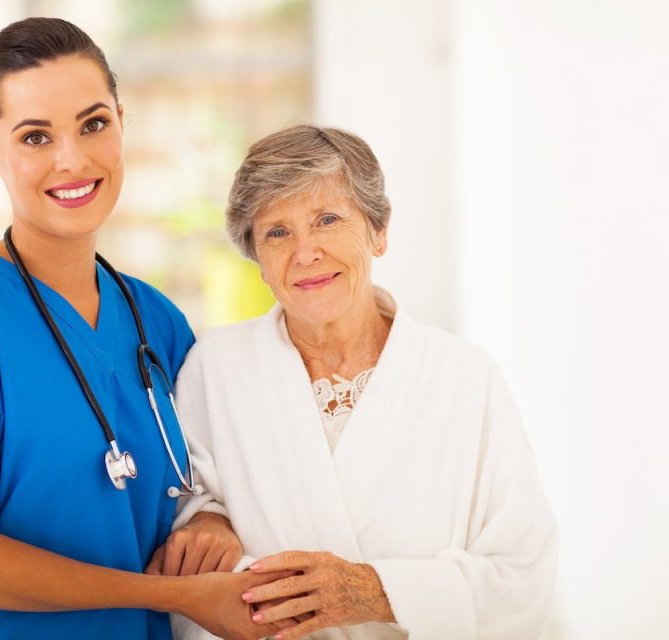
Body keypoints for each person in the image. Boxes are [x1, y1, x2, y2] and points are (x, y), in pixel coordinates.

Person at [0, 17, 287, 640]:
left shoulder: (157, 322)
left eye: (93, 124)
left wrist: (210, 523)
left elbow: (203, 483)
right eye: (35, 137)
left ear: (121, 121)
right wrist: (177, 594)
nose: (73, 160)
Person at [160, 125, 558, 640]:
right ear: (256, 258)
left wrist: (376, 591)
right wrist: (207, 522)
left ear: (379, 231)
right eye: (277, 233)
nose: (305, 253)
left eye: (326, 220)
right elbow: (184, 530)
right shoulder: (214, 369)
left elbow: (522, 578)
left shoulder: (465, 377)